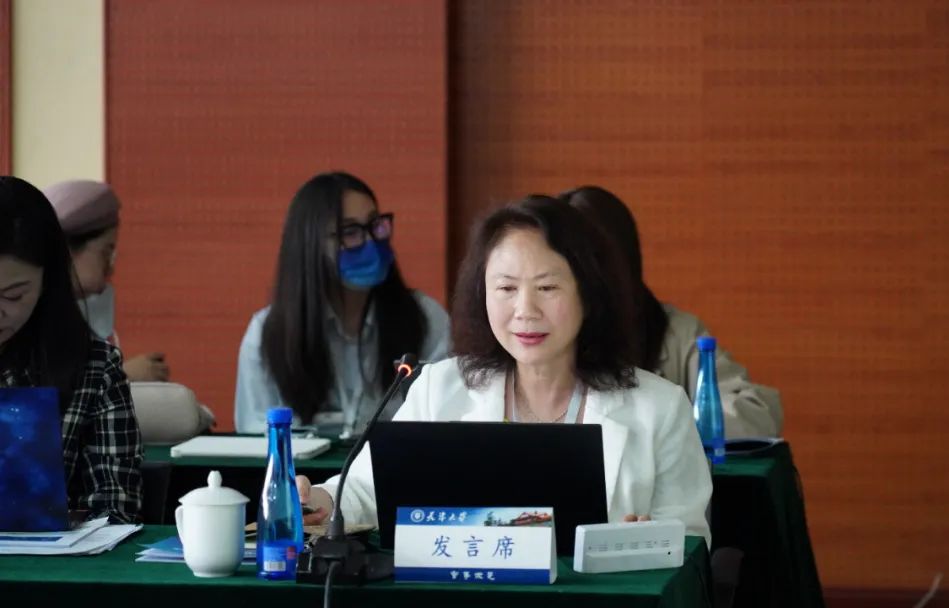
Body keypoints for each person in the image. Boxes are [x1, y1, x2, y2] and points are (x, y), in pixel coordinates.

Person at [298, 196, 712, 544]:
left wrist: (648, 542)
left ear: (589, 296)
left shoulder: (660, 408)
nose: (525, 310)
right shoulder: (439, 389)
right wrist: (318, 501)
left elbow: (691, 542)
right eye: (506, 288)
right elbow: (365, 489)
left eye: (547, 288)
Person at [234, 171, 450, 436]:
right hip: (302, 464)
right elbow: (255, 434)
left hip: (394, 463)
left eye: (375, 225)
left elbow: (446, 417)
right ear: (310, 245)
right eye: (351, 232)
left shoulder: (425, 318)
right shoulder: (267, 333)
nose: (370, 241)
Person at [561, 185, 783, 438]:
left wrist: (667, 432)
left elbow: (755, 412)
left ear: (622, 261)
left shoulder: (677, 332)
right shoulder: (541, 336)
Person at [0, 176, 142, 523]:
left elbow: (114, 512)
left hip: (43, 557)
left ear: (48, 282)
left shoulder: (94, 369)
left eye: (13, 296)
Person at [44, 180, 170, 382]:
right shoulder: (18, 319)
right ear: (66, 250)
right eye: (106, 252)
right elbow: (25, 396)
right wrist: (120, 375)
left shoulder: (64, 318)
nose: (111, 269)